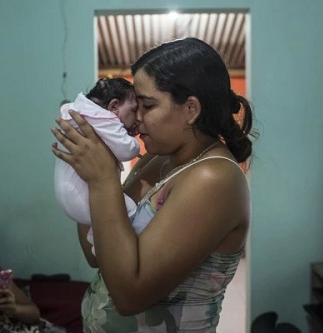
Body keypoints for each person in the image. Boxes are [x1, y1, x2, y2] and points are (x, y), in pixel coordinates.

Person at [51, 37, 256, 332]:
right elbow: (96, 255)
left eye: (147, 105)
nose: (136, 118)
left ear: (190, 110)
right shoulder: (159, 158)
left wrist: (101, 179)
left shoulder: (213, 179)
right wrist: (88, 167)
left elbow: (130, 296)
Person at [54, 77, 141, 254]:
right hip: (82, 198)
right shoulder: (104, 119)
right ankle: (132, 243)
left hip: (70, 195)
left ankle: (97, 242)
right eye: (135, 109)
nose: (138, 117)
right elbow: (127, 151)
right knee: (132, 210)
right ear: (114, 107)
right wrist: (134, 141)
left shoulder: (83, 113)